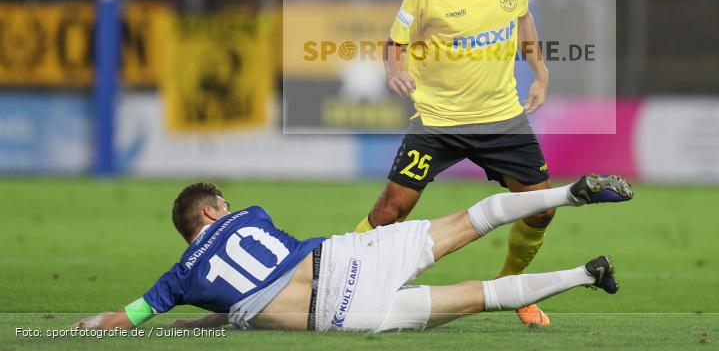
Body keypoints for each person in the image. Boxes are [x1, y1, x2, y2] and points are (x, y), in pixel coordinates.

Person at [352, 0, 559, 326]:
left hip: (502, 117)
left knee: (541, 207)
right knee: (391, 210)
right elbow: (396, 42)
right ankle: (336, 279)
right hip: (439, 121)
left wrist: (539, 72)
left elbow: (523, 21)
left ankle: (511, 289)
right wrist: (395, 70)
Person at [73, 175, 632, 333]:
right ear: (215, 211)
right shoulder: (253, 215)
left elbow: (130, 318)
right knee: (469, 221)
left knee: (479, 299)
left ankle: (586, 273)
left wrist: (83, 327)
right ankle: (566, 193)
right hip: (346, 258)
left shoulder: (180, 279)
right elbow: (260, 274)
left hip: (339, 316)